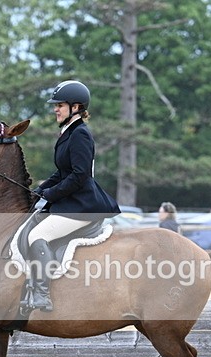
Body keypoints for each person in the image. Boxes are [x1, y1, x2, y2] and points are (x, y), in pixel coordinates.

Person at [29, 80, 121, 312]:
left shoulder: (80, 134)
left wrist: (50, 194)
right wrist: (40, 190)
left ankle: (42, 295)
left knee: (37, 235)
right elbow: (62, 172)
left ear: (76, 107)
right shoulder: (69, 132)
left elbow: (79, 176)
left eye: (59, 105)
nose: (55, 109)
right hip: (73, 201)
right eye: (56, 105)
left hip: (82, 204)